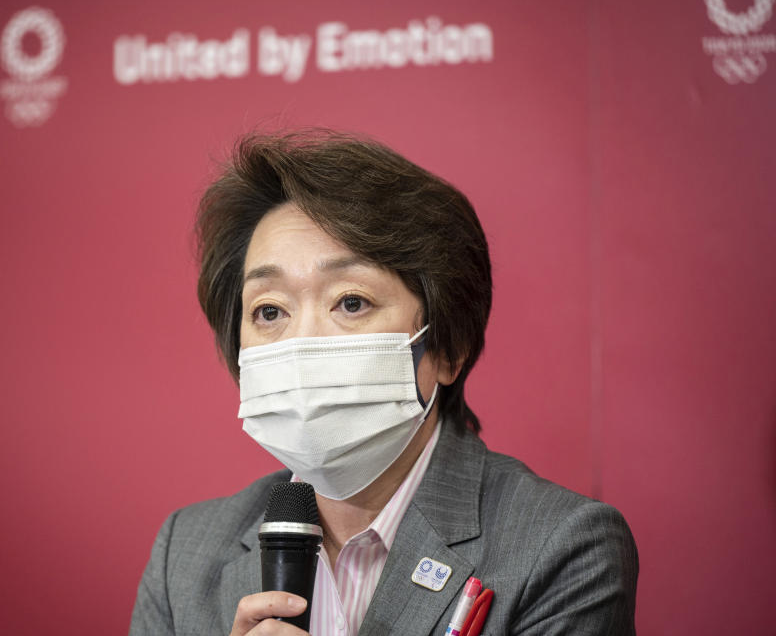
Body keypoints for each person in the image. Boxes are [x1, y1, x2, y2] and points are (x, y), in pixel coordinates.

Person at [130, 130, 638, 635]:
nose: (304, 344)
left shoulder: (562, 546)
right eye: (269, 310)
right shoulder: (186, 554)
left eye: (351, 302)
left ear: (445, 347)